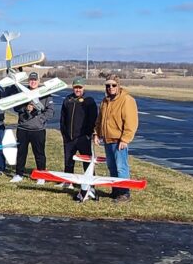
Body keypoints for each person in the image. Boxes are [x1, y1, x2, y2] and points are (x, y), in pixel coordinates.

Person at [94, 74, 139, 203]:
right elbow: (99, 120)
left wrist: (125, 139)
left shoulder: (127, 100)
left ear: (118, 86)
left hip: (119, 141)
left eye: (113, 85)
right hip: (107, 140)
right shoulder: (105, 101)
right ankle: (116, 190)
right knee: (112, 167)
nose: (110, 88)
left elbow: (131, 121)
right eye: (108, 85)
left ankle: (124, 193)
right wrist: (96, 133)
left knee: (121, 167)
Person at [11, 72, 55, 184]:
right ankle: (19, 174)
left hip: (38, 129)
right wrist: (26, 108)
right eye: (31, 80)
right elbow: (16, 107)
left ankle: (41, 175)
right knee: (21, 152)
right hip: (23, 128)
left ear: (39, 81)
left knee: (39, 153)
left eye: (35, 80)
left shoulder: (45, 93)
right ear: (28, 81)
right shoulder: (22, 92)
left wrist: (40, 119)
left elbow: (50, 111)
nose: (33, 82)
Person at [60, 78, 98, 192]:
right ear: (73, 88)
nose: (78, 90)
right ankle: (68, 181)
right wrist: (64, 133)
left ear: (83, 88)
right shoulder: (68, 99)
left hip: (83, 137)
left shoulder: (89, 101)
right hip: (69, 138)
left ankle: (90, 184)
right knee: (68, 160)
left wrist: (88, 134)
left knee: (87, 161)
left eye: (80, 87)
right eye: (76, 87)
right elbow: (63, 118)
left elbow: (93, 119)